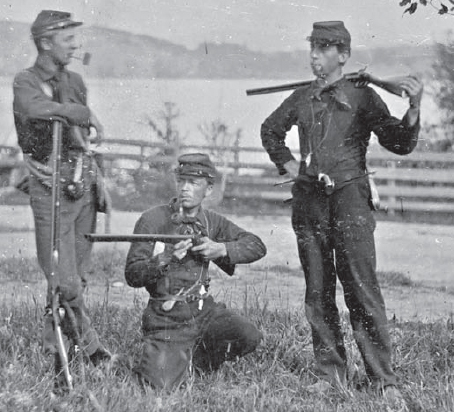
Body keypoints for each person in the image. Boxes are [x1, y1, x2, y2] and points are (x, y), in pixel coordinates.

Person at [260, 21, 423, 400]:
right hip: (309, 204)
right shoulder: (302, 97)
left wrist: (414, 107)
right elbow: (270, 130)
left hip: (351, 201)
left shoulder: (363, 96)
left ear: (343, 55)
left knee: (362, 290)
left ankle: (384, 381)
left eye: (323, 47)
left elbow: (399, 143)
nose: (314, 54)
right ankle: (330, 375)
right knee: (318, 291)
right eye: (312, 47)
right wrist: (289, 168)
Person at [12, 10, 112, 382]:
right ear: (45, 42)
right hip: (50, 187)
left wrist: (95, 173)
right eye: (68, 39)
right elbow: (33, 108)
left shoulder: (75, 80)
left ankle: (53, 347)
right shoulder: (26, 81)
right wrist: (80, 112)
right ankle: (92, 348)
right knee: (63, 280)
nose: (76, 46)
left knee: (77, 277)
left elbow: (81, 135)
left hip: (81, 183)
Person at [125, 153, 267, 390]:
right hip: (167, 318)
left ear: (209, 189)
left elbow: (256, 245)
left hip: (204, 311)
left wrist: (220, 248)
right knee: (156, 386)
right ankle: (172, 361)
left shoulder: (212, 222)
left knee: (248, 335)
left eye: (194, 183)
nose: (185, 189)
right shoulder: (152, 220)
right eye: (181, 181)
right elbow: (132, 275)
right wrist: (164, 259)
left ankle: (197, 363)